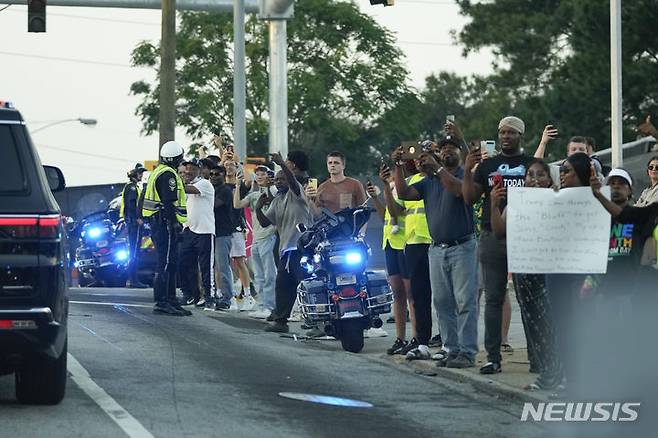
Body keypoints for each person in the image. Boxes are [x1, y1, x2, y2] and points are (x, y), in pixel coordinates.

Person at [395, 137, 479, 368]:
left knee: (465, 302)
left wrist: (438, 168)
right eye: (443, 149)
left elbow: (459, 192)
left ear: (460, 153)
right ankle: (451, 349)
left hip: (462, 247)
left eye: (452, 148)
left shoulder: (464, 174)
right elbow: (403, 193)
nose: (447, 151)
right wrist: (399, 166)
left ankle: (468, 351)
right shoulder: (430, 180)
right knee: (442, 302)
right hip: (437, 249)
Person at [462, 115, 534, 374]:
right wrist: (469, 170)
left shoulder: (532, 165)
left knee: (531, 298)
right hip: (493, 236)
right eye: (502, 132)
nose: (506, 137)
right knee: (493, 297)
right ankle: (493, 356)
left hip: (527, 237)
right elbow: (469, 199)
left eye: (511, 132)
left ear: (520, 136)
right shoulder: (487, 165)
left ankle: (538, 356)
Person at [490, 159, 562, 390]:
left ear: (550, 179)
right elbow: (499, 231)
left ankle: (555, 369)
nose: (535, 179)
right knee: (532, 321)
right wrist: (493, 205)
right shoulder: (516, 203)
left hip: (550, 270)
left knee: (551, 320)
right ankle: (542, 368)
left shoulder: (559, 202)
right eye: (530, 175)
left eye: (541, 175)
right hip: (523, 271)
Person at [256, 152, 314, 333]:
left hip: (302, 248)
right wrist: (258, 207)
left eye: (282, 179)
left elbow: (292, 180)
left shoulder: (297, 193)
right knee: (283, 286)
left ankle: (315, 322)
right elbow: (266, 222)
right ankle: (281, 321)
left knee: (306, 285)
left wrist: (282, 164)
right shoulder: (277, 201)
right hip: (286, 251)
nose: (278, 182)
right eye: (277, 180)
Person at [391, 143, 436, 361]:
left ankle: (448, 340)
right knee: (419, 295)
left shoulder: (439, 178)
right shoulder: (412, 181)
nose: (419, 160)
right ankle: (422, 341)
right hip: (413, 241)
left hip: (436, 240)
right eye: (417, 157)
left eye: (424, 156)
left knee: (445, 296)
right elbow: (399, 203)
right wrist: (397, 167)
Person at [367, 166, 416, 355]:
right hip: (389, 242)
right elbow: (386, 215)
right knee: (397, 293)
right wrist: (375, 198)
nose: (392, 173)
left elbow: (397, 212)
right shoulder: (392, 187)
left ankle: (416, 338)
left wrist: (386, 186)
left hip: (404, 242)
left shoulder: (408, 187)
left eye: (396, 169)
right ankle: (400, 338)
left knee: (410, 293)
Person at [141, 141, 191, 316]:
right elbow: (168, 202)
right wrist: (175, 224)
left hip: (159, 223)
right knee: (166, 263)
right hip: (165, 224)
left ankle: (171, 299)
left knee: (170, 262)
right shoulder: (168, 175)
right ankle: (162, 301)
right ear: (177, 158)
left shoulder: (157, 172)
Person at [234, 165, 278, 319]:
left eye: (262, 174)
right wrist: (238, 185)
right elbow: (237, 205)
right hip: (256, 239)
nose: (259, 177)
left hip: (269, 236)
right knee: (258, 275)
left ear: (269, 176)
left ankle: (270, 306)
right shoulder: (253, 195)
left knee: (269, 274)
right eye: (257, 174)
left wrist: (271, 185)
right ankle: (261, 305)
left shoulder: (274, 191)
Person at [179, 158, 216, 307]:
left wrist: (175, 181)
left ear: (199, 170)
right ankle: (190, 295)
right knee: (184, 264)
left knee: (206, 267)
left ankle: (210, 297)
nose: (188, 171)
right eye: (186, 168)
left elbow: (189, 190)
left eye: (192, 169)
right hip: (189, 230)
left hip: (205, 231)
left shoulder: (204, 184)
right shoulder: (188, 185)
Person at [209, 164, 235, 311]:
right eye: (211, 174)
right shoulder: (213, 189)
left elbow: (212, 205)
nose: (213, 176)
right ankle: (217, 295)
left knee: (223, 267)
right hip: (213, 232)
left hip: (223, 233)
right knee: (215, 267)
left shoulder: (225, 190)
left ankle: (227, 298)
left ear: (223, 175)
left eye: (217, 174)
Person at [120, 163, 148, 289]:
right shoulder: (131, 188)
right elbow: (131, 205)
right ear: (134, 174)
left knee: (134, 251)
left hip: (132, 222)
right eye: (140, 172)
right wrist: (137, 219)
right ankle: (133, 280)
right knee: (133, 252)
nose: (142, 175)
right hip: (133, 223)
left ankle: (132, 279)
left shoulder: (133, 187)